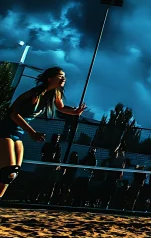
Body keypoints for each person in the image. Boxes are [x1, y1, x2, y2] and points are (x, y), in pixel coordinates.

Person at [0, 67, 86, 199]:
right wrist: (32, 132)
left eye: (64, 76)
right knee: (8, 172)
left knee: (12, 174)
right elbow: (13, 114)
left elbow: (61, 107)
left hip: (19, 133)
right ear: (50, 79)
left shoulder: (55, 93)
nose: (64, 78)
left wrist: (75, 112)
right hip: (6, 130)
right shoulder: (34, 94)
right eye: (60, 76)